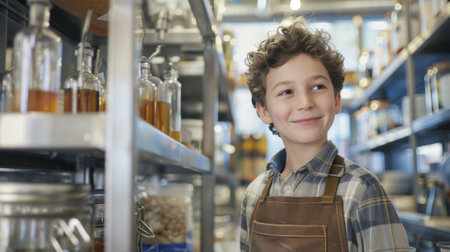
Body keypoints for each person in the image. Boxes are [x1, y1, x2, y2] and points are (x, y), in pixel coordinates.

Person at [240, 17, 410, 252]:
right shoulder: (255, 194)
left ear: (336, 99)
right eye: (287, 91)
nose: (305, 102)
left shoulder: (362, 190)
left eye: (318, 87)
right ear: (264, 110)